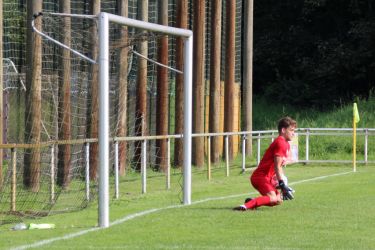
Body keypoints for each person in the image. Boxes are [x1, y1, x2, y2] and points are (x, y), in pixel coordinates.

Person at [234, 116, 297, 211]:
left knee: (278, 200)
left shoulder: (286, 144)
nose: (294, 133)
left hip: (267, 177)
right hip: (260, 177)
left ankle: (251, 202)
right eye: (291, 130)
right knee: (272, 197)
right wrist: (282, 184)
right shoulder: (281, 143)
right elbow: (277, 166)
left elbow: (277, 167)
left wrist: (279, 182)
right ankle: (245, 206)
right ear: (283, 130)